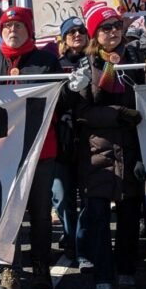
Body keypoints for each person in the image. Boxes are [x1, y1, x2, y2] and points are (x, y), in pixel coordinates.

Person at [0, 7, 63, 289]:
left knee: (39, 212)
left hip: (40, 148)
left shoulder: (47, 62)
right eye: (7, 26)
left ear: (30, 30)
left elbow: (60, 102)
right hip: (3, 151)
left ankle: (40, 267)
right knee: (6, 213)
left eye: (19, 26)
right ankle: (10, 271)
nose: (12, 31)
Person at [68, 1, 143, 289]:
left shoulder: (135, 58)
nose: (112, 32)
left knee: (129, 213)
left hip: (132, 148)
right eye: (104, 28)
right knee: (98, 216)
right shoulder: (86, 68)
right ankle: (103, 277)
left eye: (115, 26)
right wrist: (117, 113)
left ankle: (126, 268)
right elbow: (82, 113)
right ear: (94, 34)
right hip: (97, 153)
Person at [51, 16, 89, 261]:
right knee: (62, 197)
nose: (77, 35)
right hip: (61, 142)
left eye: (81, 31)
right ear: (64, 39)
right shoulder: (54, 65)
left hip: (88, 141)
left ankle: (83, 245)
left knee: (88, 199)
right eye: (71, 32)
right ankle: (70, 240)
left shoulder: (98, 61)